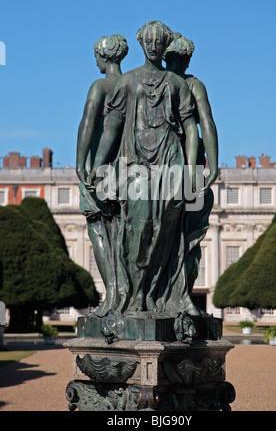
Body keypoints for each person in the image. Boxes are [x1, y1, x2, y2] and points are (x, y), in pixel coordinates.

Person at [91, 21, 200, 316]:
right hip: (136, 166)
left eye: (159, 42)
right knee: (138, 228)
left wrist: (190, 170)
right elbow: (112, 125)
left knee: (166, 230)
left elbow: (191, 127)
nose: (153, 47)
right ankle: (136, 294)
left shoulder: (177, 85)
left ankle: (156, 295)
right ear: (142, 44)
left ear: (165, 46)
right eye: (149, 42)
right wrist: (99, 162)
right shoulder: (127, 82)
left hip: (170, 163)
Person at [76, 34, 128, 316]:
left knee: (98, 229)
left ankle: (112, 295)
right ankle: (128, 296)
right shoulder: (133, 83)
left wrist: (80, 163)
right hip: (132, 172)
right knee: (124, 234)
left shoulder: (101, 85)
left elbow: (87, 123)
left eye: (96, 56)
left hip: (101, 171)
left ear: (103, 56)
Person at [164, 35, 218, 294]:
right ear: (186, 60)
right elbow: (206, 123)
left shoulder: (155, 83)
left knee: (162, 233)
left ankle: (162, 295)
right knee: (189, 236)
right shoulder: (194, 85)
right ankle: (180, 293)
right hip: (188, 165)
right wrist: (213, 163)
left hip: (157, 165)